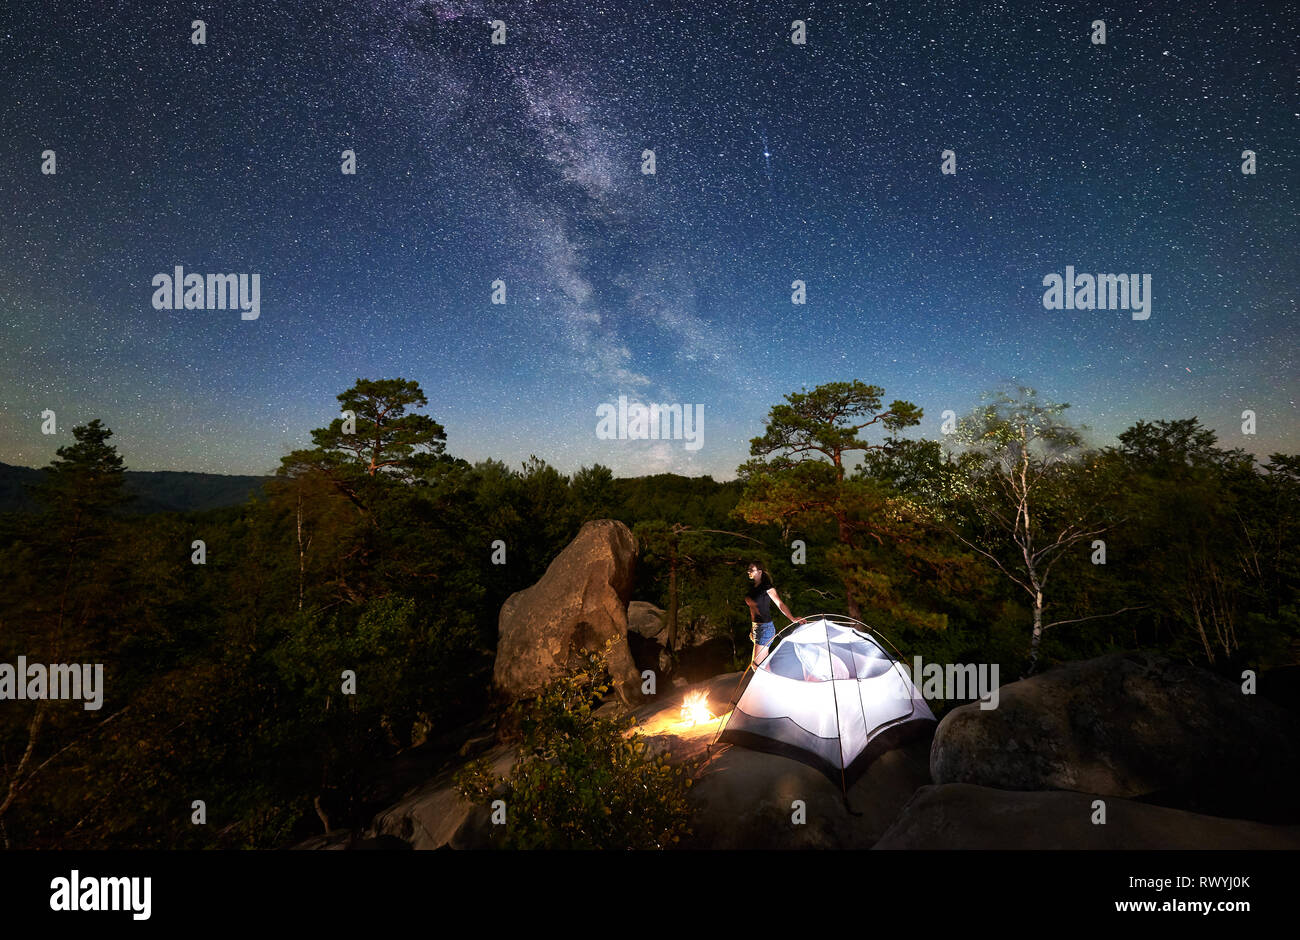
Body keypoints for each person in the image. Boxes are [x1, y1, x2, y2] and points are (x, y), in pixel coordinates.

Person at [743, 562, 796, 666]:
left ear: (760, 572)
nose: (748, 571)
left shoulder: (767, 587)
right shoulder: (753, 588)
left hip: (765, 629)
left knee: (756, 665)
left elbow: (780, 603)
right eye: (748, 569)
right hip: (756, 628)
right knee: (764, 665)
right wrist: (753, 628)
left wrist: (792, 618)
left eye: (751, 569)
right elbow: (754, 610)